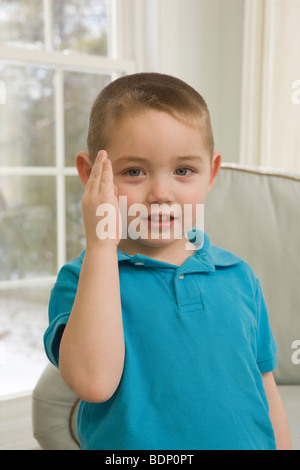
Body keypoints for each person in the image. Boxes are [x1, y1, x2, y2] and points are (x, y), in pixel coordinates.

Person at [44, 73, 291, 450]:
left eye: (182, 171)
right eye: (134, 172)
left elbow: (265, 385)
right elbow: (93, 382)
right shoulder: (84, 280)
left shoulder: (238, 276)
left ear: (210, 173)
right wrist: (100, 247)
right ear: (92, 174)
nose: (161, 193)